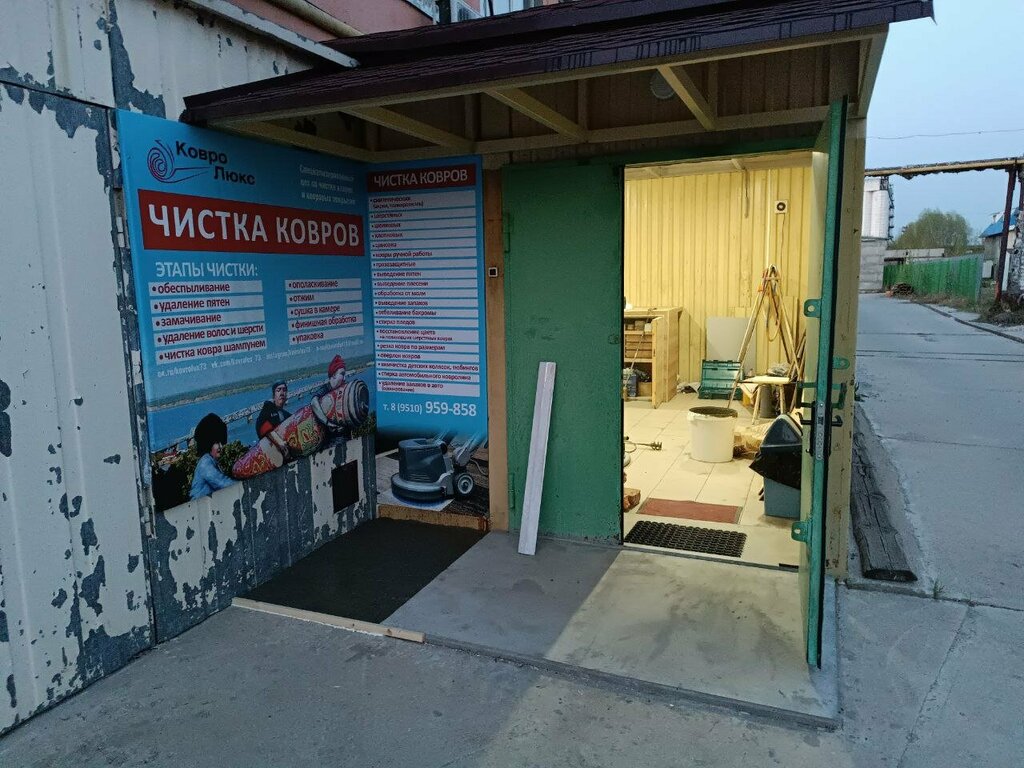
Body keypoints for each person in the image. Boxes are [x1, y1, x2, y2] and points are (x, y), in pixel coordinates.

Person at [189, 413, 234, 500]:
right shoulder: (205, 463)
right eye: (217, 443)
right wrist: (243, 484)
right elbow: (222, 482)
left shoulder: (211, 461)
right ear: (208, 443)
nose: (221, 446)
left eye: (221, 443)